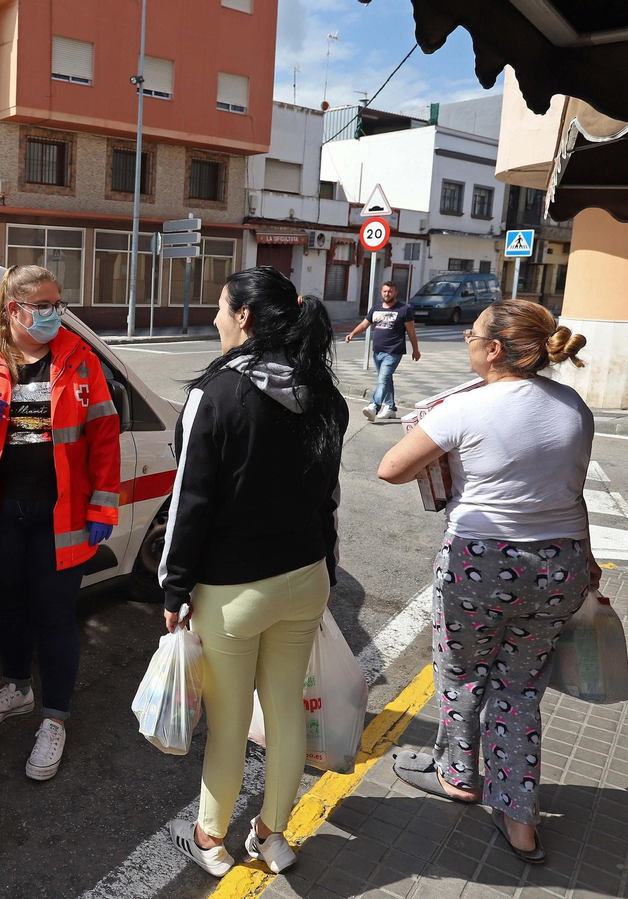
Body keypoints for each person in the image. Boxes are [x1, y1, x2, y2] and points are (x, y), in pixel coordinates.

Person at [376, 299, 594, 864]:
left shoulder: (464, 408)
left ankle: (457, 774)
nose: (467, 343)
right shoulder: (573, 405)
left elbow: (391, 469)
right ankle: (520, 821)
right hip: (560, 562)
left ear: (494, 349)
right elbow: (573, 489)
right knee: (520, 687)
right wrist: (587, 561)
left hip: (483, 562)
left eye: (472, 335)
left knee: (462, 671)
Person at [158, 266, 348, 878]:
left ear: (243, 316)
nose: (215, 318)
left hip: (233, 591)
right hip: (305, 578)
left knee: (231, 725)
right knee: (286, 711)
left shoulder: (215, 395)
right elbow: (327, 499)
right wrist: (328, 570)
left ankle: (210, 838)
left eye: (220, 307)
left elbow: (190, 502)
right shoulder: (322, 391)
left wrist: (173, 585)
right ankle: (272, 836)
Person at [0, 264, 121, 782]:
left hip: (60, 517)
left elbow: (104, 433)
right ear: (13, 309)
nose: (54, 314)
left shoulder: (79, 360)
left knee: (56, 618)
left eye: (57, 303)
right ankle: (17, 688)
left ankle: (54, 719)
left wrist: (103, 505)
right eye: (44, 306)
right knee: (9, 608)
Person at [344, 281, 420, 422]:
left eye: (390, 291)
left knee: (383, 379)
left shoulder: (404, 309)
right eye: (385, 291)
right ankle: (391, 407)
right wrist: (352, 334)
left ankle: (374, 406)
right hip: (377, 351)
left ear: (396, 292)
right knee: (386, 380)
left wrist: (416, 350)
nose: (387, 294)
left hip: (393, 351)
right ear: (381, 292)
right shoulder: (376, 308)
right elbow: (364, 324)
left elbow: (411, 331)